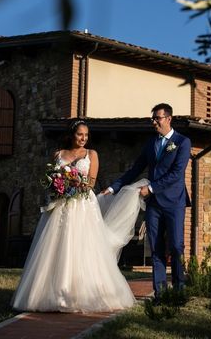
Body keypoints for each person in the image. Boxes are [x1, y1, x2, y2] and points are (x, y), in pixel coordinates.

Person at [11, 119, 138, 313]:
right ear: (72, 135)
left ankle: (84, 294)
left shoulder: (91, 154)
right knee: (56, 246)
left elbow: (91, 182)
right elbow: (52, 178)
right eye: (80, 134)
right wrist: (58, 186)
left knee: (83, 246)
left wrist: (74, 185)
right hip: (61, 205)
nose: (83, 139)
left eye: (86, 135)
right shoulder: (58, 154)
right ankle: (50, 294)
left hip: (83, 205)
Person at [102, 103, 191, 301]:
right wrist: (112, 188)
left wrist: (150, 188)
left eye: (157, 118)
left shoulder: (182, 142)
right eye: (153, 118)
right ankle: (159, 293)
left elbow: (176, 173)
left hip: (174, 202)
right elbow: (135, 170)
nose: (154, 122)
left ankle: (179, 289)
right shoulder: (151, 144)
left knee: (176, 246)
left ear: (168, 119)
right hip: (154, 205)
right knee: (156, 247)